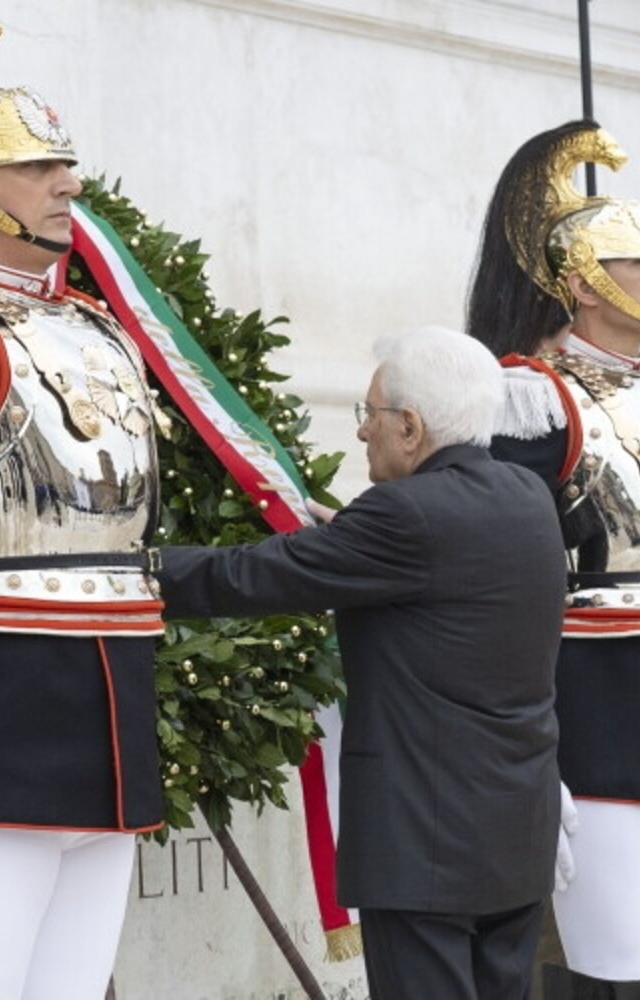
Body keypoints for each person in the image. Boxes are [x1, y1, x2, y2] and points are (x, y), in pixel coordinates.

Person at [157, 323, 566, 1000]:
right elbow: (443, 573)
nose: (359, 432)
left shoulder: (404, 515)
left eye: (368, 415)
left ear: (410, 426)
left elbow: (246, 575)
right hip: (514, 836)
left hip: (424, 844)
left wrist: (123, 567)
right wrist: (353, 539)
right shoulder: (526, 496)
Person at [0, 3, 165, 998]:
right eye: (37, 166)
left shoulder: (97, 331)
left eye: (67, 162)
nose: (70, 183)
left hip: (108, 753)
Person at [466, 119, 640, 998]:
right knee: (615, 966)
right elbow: (506, 577)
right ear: (582, 283)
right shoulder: (533, 397)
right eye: (634, 265)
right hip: (605, 714)